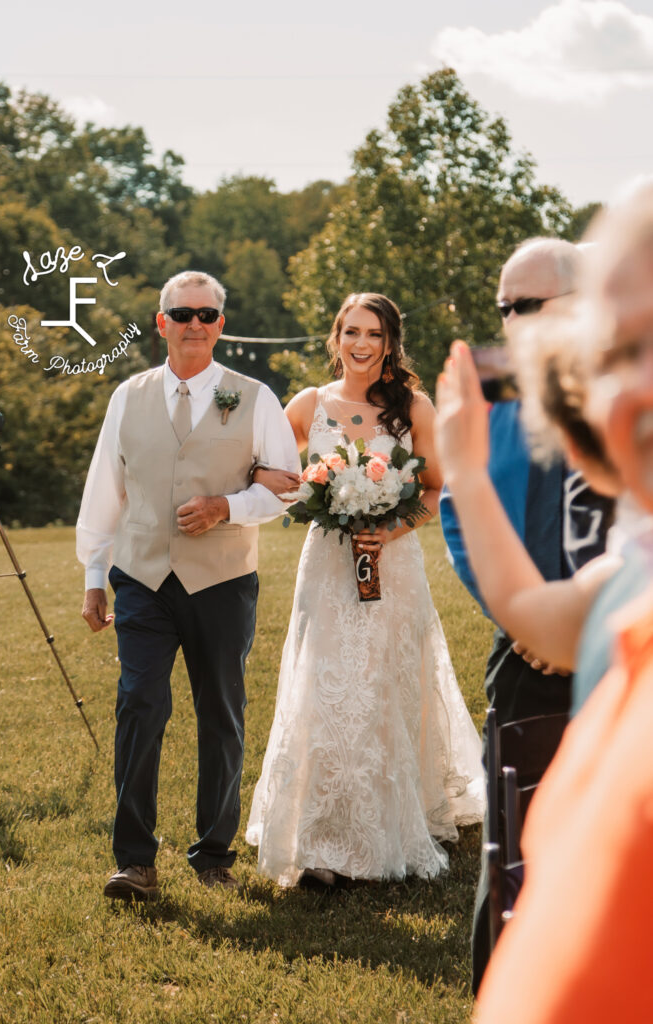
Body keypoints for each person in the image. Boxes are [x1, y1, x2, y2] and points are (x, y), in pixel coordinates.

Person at [473, 184, 653, 1024]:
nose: (632, 389)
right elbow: (520, 601)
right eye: (619, 353)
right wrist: (466, 475)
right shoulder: (627, 579)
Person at [245, 292, 484, 888]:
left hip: (393, 567)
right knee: (323, 688)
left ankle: (379, 830)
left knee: (378, 689)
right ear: (336, 337)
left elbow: (433, 490)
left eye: (373, 334)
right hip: (325, 570)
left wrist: (388, 527)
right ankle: (320, 841)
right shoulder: (308, 404)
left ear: (388, 342)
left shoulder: (413, 408)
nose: (360, 344)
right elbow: (261, 461)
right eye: (351, 331)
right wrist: (273, 479)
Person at [77, 270, 300, 899]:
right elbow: (105, 490)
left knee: (221, 713)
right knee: (139, 702)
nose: (195, 324)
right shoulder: (129, 395)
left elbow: (289, 484)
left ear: (221, 325)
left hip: (222, 580)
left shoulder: (254, 397)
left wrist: (227, 507)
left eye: (206, 314)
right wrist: (95, 575)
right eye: (183, 314)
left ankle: (213, 854)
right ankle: (134, 859)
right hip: (141, 576)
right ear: (162, 322)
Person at [438, 238, 613, 994]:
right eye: (502, 308)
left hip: (625, 657)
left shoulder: (625, 396)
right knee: (517, 853)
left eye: (526, 306)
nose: (507, 322)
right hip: (528, 664)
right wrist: (527, 625)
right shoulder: (496, 406)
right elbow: (460, 516)